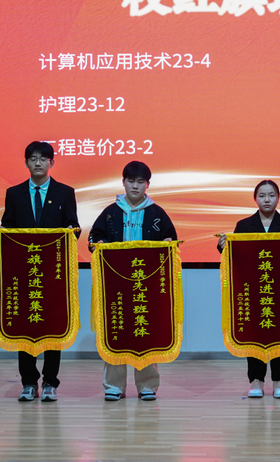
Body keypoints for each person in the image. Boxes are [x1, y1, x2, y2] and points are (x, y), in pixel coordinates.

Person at [89, 161, 177, 401]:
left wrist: (168, 245)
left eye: (140, 182)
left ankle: (147, 385)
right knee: (115, 330)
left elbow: (171, 241)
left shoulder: (157, 213)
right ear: (123, 182)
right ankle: (113, 386)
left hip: (146, 286)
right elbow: (93, 239)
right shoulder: (110, 212)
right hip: (115, 285)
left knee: (145, 332)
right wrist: (98, 245)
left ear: (148, 184)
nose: (135, 186)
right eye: (131, 181)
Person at [217, 180, 280, 399]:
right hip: (253, 291)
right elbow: (235, 257)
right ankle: (256, 380)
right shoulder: (244, 225)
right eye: (262, 196)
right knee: (254, 334)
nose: (266, 200)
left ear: (278, 198)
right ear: (255, 199)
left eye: (271, 195)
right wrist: (222, 246)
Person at [1, 141, 80, 402]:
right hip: (24, 273)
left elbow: (73, 228)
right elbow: (8, 229)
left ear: (51, 162)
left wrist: (71, 232)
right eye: (32, 158)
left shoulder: (65, 192)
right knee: (25, 326)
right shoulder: (14, 193)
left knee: (53, 327)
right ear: (26, 163)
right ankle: (28, 382)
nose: (37, 162)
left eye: (43, 158)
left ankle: (50, 382)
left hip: (53, 275)